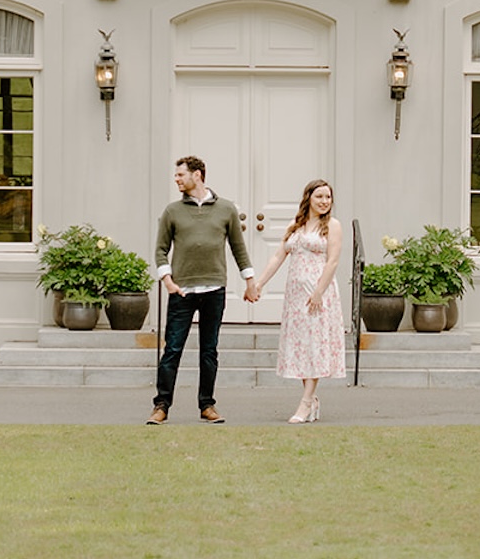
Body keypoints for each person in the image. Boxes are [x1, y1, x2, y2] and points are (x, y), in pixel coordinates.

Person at [148, 156, 254, 425]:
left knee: (209, 350)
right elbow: (160, 250)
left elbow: (238, 248)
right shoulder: (172, 211)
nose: (176, 179)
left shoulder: (226, 209)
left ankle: (207, 405)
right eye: (176, 175)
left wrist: (249, 280)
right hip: (181, 291)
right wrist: (168, 280)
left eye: (181, 175)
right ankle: (161, 406)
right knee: (172, 349)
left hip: (214, 289)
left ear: (197, 175)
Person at [248, 179, 347, 423]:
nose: (324, 202)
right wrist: (259, 283)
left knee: (315, 343)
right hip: (295, 295)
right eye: (319, 197)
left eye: (328, 197)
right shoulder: (296, 225)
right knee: (303, 346)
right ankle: (311, 399)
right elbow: (278, 256)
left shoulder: (333, 226)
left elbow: (333, 261)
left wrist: (319, 291)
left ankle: (305, 402)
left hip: (318, 293)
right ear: (308, 198)